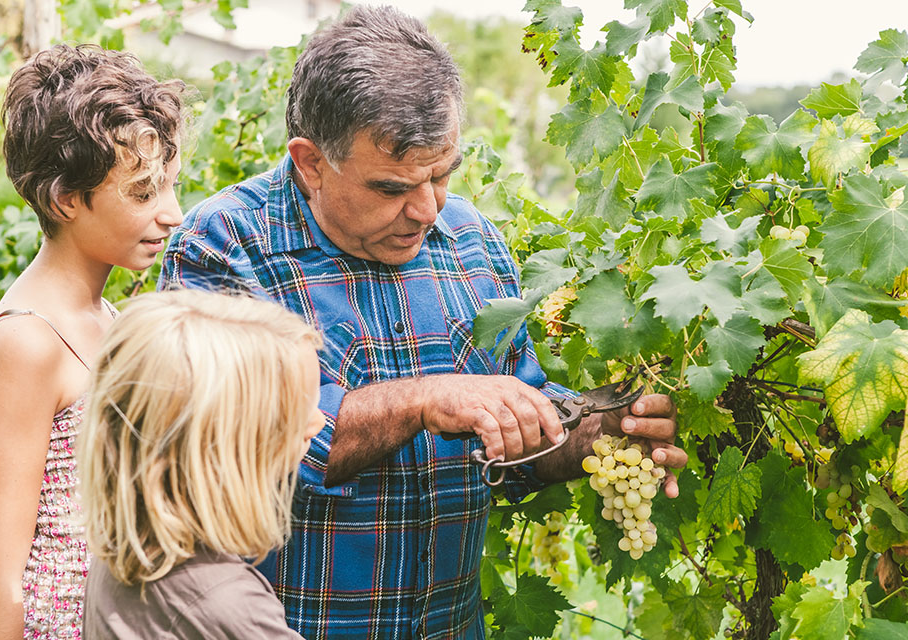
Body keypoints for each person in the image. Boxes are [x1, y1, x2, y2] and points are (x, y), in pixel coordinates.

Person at [160, 6, 686, 639]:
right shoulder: (223, 248)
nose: (427, 209)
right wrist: (423, 401)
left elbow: (518, 447)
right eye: (392, 188)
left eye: (442, 176)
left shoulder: (473, 242)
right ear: (310, 162)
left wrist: (602, 431)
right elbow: (233, 454)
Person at [0, 45, 184, 640]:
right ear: (66, 200)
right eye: (143, 193)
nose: (173, 213)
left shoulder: (107, 316)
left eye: (170, 186)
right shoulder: (26, 341)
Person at [77, 290, 322, 639]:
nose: (318, 423)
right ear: (218, 447)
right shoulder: (229, 606)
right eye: (300, 407)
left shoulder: (122, 558)